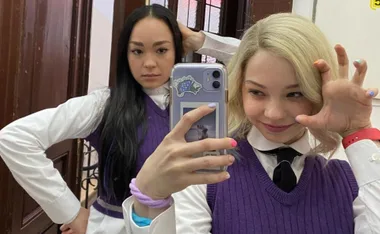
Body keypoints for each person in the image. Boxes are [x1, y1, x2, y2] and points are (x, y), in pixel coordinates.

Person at [121, 13, 380, 233]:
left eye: (295, 93)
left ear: (319, 90)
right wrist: (149, 197)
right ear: (239, 90)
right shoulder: (208, 172)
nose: (274, 113)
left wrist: (357, 133)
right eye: (257, 92)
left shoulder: (350, 171)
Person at [0, 4, 239, 234]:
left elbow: (259, 59)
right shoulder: (104, 105)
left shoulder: (200, 102)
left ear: (177, 49)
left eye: (161, 50)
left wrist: (201, 41)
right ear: (125, 54)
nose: (149, 63)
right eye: (137, 51)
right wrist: (71, 212)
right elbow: (13, 139)